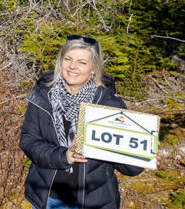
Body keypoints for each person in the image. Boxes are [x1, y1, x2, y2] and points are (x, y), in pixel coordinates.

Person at [19, 35, 143, 209]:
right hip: (49, 198)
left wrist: (144, 156)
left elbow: (130, 168)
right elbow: (28, 141)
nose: (72, 67)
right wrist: (63, 156)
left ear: (93, 68)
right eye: (68, 59)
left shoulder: (108, 104)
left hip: (95, 202)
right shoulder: (43, 96)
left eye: (81, 62)